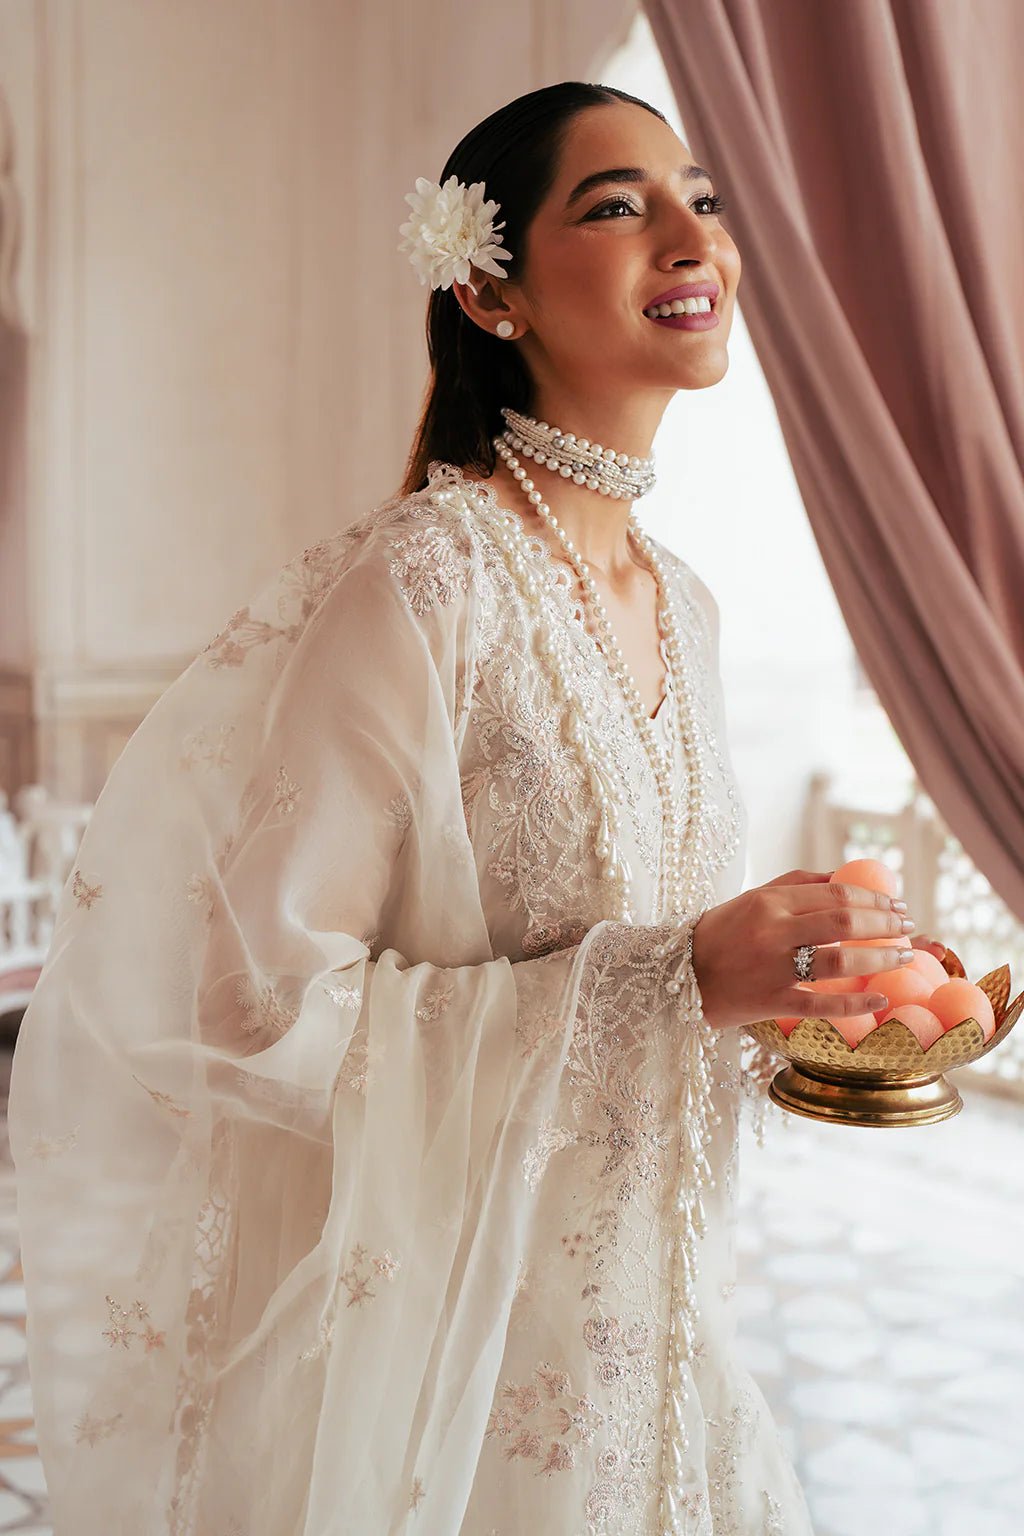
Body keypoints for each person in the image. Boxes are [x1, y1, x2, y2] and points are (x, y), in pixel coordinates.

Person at [8, 81, 944, 1535]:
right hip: (452, 1371)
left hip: (664, 1343)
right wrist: (673, 979)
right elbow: (254, 1006)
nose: (690, 235)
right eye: (619, 206)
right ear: (491, 291)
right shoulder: (427, 583)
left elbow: (663, 1000)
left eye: (702, 196)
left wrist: (805, 1003)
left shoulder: (685, 606)